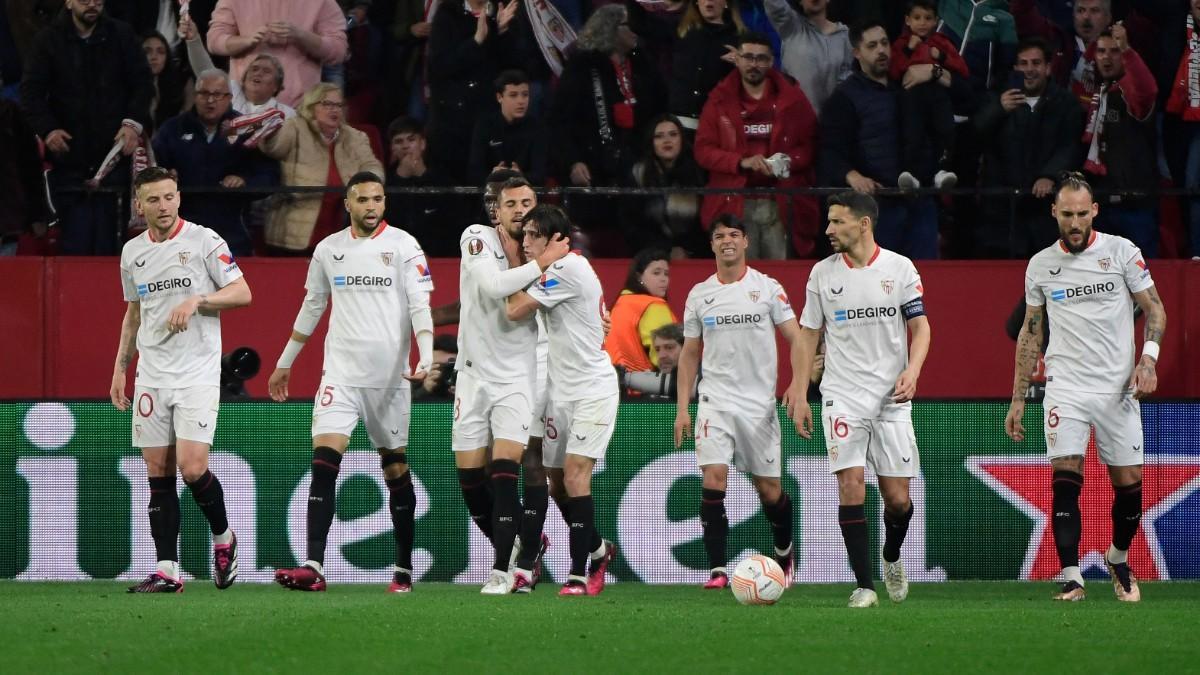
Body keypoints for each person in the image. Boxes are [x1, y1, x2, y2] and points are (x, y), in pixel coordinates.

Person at [267, 171, 435, 593]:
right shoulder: (329, 249)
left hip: (389, 378)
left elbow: (420, 305)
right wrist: (285, 361)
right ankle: (314, 565)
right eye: (363, 200)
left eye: (378, 199)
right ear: (348, 203)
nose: (372, 206)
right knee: (324, 461)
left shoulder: (404, 246)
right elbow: (312, 306)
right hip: (340, 375)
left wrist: (427, 355)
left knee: (395, 468)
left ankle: (402, 567)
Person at [1005, 172, 1166, 603]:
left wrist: (1147, 358)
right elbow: (1031, 331)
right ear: (1054, 212)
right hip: (1065, 387)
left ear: (1094, 211)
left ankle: (1117, 558)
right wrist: (1019, 395)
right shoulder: (1041, 265)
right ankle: (1072, 575)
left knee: (1130, 486)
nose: (1075, 223)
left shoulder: (1121, 251)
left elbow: (1155, 309)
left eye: (1082, 214)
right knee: (1065, 476)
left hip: (1118, 389)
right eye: (1067, 214)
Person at [110, 166, 253, 593]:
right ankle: (167, 570)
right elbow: (134, 313)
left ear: (179, 197)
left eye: (169, 197)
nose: (163, 206)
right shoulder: (132, 252)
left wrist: (199, 300)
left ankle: (223, 538)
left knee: (193, 470)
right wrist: (120, 367)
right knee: (158, 471)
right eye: (153, 199)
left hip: (197, 372)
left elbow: (243, 293)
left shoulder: (204, 241)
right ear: (139, 205)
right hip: (152, 373)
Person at [793, 190, 932, 608]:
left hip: (891, 397)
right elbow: (808, 334)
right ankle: (865, 585)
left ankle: (891, 556)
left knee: (898, 501)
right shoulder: (821, 274)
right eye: (829, 221)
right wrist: (800, 390)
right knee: (850, 485)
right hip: (841, 395)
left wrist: (913, 369)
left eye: (837, 222)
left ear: (864, 224)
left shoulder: (899, 268)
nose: (828, 229)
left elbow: (922, 328)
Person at [671, 213, 804, 590]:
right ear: (712, 245)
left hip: (759, 405)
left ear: (746, 241)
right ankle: (717, 569)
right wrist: (683, 407)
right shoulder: (700, 294)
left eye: (734, 234)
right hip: (716, 400)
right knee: (713, 479)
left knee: (770, 492)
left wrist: (797, 385)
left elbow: (797, 338)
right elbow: (689, 355)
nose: (727, 241)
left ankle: (784, 550)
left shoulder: (767, 288)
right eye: (719, 236)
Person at [453, 177, 569, 594]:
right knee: (471, 483)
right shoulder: (477, 238)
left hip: (518, 378)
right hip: (472, 375)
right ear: (496, 212)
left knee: (506, 474)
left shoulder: (547, 253)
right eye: (511, 204)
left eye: (527, 202)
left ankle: (502, 571)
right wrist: (543, 262)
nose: (520, 209)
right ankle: (527, 541)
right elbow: (492, 286)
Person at [505, 204, 620, 596]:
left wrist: (536, 263)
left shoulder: (567, 268)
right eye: (524, 235)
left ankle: (577, 575)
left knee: (574, 476)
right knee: (556, 486)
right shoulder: (554, 271)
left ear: (556, 239)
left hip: (592, 388)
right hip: (560, 390)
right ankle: (601, 550)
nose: (526, 242)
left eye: (534, 234)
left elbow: (515, 308)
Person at [20, 0, 154, 255]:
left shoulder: (122, 35)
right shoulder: (48, 40)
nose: (92, 5)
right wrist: (48, 129)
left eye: (98, 0)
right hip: (69, 157)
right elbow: (31, 93)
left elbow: (143, 84)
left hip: (113, 157)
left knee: (112, 243)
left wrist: (132, 124)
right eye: (85, 0)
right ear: (69, 2)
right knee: (74, 242)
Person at [819, 19, 950, 260]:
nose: (881, 50)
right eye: (872, 46)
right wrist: (853, 176)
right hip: (875, 205)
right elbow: (829, 149)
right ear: (857, 53)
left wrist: (934, 71)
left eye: (884, 43)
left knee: (923, 280)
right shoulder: (844, 97)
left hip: (917, 201)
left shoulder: (906, 83)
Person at [695, 31, 819, 259]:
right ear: (737, 59)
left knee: (781, 280)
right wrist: (741, 162)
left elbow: (810, 145)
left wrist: (788, 161)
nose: (754, 64)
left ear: (771, 61)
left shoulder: (793, 99)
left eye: (761, 58)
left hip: (781, 203)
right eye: (748, 57)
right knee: (740, 280)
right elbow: (703, 150)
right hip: (736, 203)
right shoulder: (718, 99)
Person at [974, 37, 1084, 258]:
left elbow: (1070, 146)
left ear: (1048, 68)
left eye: (1036, 63)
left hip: (1045, 211)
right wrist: (998, 110)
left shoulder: (1065, 103)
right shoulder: (999, 99)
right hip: (1004, 212)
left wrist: (1049, 176)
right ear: (1015, 67)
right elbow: (975, 135)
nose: (1029, 70)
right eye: (1023, 63)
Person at [152, 69, 279, 256]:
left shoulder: (246, 129)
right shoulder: (172, 129)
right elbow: (151, 170)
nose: (210, 100)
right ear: (195, 96)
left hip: (232, 233)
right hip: (181, 232)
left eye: (217, 94)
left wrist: (244, 181)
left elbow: (269, 176)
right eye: (204, 93)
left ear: (229, 97)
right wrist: (165, 177)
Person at [258, 82, 384, 254]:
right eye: (327, 104)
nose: (334, 110)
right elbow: (273, 147)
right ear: (311, 107)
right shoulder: (295, 127)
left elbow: (371, 165)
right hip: (293, 233)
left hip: (338, 232)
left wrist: (368, 184)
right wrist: (269, 132)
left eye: (339, 105)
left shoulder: (355, 137)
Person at [1081, 24, 1159, 257]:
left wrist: (1127, 50)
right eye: (1101, 51)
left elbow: (1147, 91)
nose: (1107, 57)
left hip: (1134, 206)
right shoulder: (1095, 95)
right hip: (1100, 206)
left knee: (1142, 284)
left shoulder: (1130, 92)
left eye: (1114, 51)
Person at [206, 0, 349, 107]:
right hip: (244, 107)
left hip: (300, 111)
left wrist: (301, 35)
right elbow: (214, 40)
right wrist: (247, 41)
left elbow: (339, 49)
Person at [890, 0, 968, 190]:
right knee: (912, 133)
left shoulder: (942, 43)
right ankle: (911, 173)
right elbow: (894, 72)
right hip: (911, 96)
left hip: (938, 94)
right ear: (907, 20)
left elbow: (962, 70)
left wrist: (941, 57)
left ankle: (941, 171)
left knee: (945, 130)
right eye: (917, 18)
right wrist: (909, 49)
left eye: (928, 18)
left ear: (936, 21)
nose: (922, 23)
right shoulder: (900, 44)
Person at [182, 15, 298, 118]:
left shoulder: (288, 115)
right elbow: (207, 73)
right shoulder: (232, 94)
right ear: (244, 79)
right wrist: (193, 40)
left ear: (276, 86)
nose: (258, 73)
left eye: (267, 71)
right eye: (254, 69)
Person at [622, 114, 706, 257]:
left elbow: (703, 224)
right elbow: (631, 224)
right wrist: (665, 250)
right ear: (651, 142)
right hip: (648, 255)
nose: (667, 141)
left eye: (673, 135)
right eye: (659, 136)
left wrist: (685, 249)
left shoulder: (697, 173)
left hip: (692, 255)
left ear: (682, 140)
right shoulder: (637, 174)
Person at [763, 0, 852, 116]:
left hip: (834, 123)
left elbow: (846, 83)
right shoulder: (791, 27)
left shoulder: (844, 36)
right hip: (796, 120)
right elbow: (774, 5)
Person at [668, 0, 744, 131]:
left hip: (717, 124)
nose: (709, 1)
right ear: (696, 2)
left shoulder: (740, 38)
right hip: (679, 121)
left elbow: (756, 81)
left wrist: (743, 64)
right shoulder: (681, 29)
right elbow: (640, 25)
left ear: (726, 3)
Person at [467, 69, 548, 185]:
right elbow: (474, 172)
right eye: (513, 95)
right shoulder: (485, 126)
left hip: (525, 195)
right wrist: (493, 176)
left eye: (525, 95)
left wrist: (519, 177)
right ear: (499, 97)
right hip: (492, 196)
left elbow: (540, 174)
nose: (521, 101)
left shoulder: (537, 128)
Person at [604, 248, 677, 372]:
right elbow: (666, 357)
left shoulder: (620, 303)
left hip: (613, 384)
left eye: (666, 273)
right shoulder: (654, 305)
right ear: (639, 276)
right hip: (647, 386)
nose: (663, 279)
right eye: (656, 273)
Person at [141, 30, 192, 131]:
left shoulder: (182, 84)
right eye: (147, 51)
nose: (154, 57)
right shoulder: (126, 87)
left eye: (160, 52)